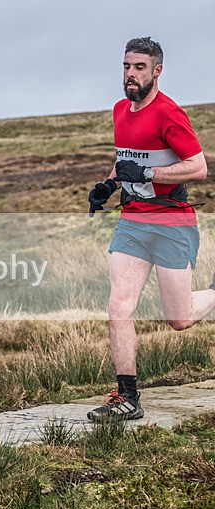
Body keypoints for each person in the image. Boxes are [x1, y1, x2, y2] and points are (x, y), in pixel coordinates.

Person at [87, 37, 212, 421]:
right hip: (133, 223)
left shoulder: (169, 114)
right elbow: (126, 159)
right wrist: (109, 186)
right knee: (119, 305)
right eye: (126, 66)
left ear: (156, 71)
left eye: (139, 67)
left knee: (180, 319)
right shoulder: (120, 110)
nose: (130, 74)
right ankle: (127, 397)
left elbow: (198, 166)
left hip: (172, 223)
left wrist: (149, 174)